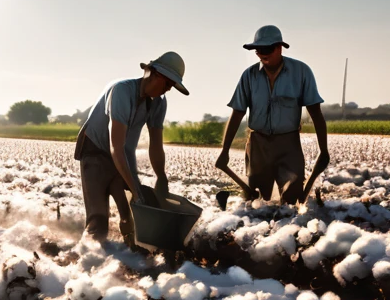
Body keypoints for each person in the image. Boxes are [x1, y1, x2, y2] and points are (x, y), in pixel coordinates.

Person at [75, 52, 189, 243]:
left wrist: (161, 176)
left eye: (172, 86)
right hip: (95, 152)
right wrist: (135, 191)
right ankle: (89, 257)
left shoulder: (159, 103)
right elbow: (115, 146)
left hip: (121, 156)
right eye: (168, 84)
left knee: (130, 214)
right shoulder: (121, 91)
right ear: (153, 74)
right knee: (99, 220)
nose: (168, 90)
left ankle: (130, 250)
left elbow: (156, 144)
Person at [216, 24, 329, 203]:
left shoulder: (301, 72)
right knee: (257, 200)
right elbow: (237, 114)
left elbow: (315, 113)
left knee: (291, 199)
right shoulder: (249, 76)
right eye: (258, 49)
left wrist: (323, 150)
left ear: (279, 47)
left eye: (267, 49)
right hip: (258, 144)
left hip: (288, 143)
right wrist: (224, 151)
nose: (262, 53)